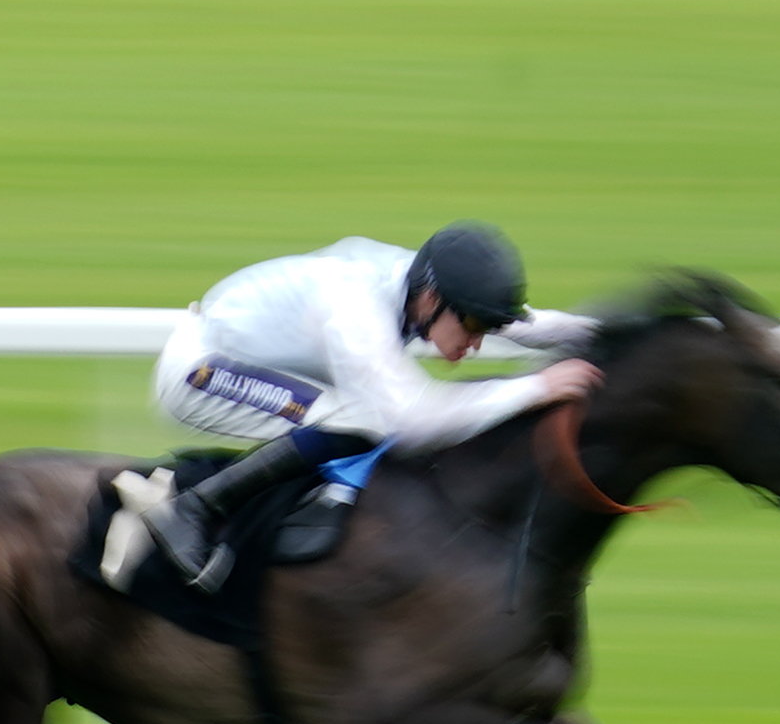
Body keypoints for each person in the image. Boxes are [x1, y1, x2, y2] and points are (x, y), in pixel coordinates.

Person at [108, 223, 603, 595]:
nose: (476, 343)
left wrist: (627, 332)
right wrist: (536, 388)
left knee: (358, 419)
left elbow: (526, 326)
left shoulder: (425, 285)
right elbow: (414, 420)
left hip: (250, 357)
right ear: (432, 299)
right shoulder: (356, 310)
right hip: (202, 371)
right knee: (364, 420)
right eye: (472, 325)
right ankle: (192, 509)